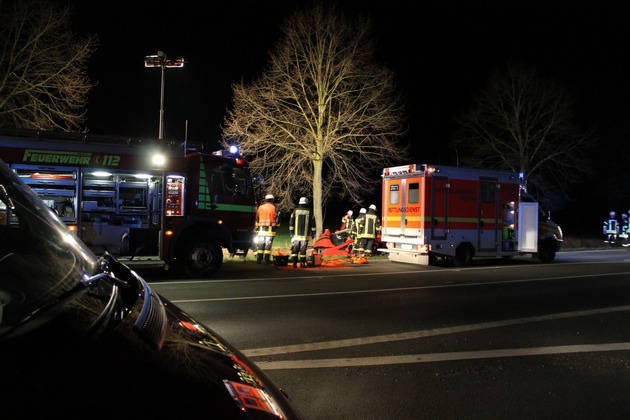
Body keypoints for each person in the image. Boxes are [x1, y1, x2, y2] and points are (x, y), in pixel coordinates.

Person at [289, 197, 316, 268]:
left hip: (296, 235)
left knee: (295, 249)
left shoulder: (295, 211)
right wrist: (313, 232)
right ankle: (302, 263)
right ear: (306, 203)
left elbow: (291, 221)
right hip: (305, 235)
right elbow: (312, 222)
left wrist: (291, 232)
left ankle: (294, 263)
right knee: (303, 250)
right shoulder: (309, 211)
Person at [255, 194, 280, 263]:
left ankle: (258, 259)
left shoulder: (260, 207)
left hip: (261, 230)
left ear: (265, 200)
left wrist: (257, 227)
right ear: (272, 200)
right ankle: (266, 259)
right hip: (270, 230)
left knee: (260, 244)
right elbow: (277, 219)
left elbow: (257, 218)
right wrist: (277, 225)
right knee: (267, 245)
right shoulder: (274, 207)